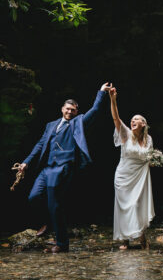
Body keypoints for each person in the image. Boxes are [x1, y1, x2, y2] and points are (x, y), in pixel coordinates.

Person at [18, 82, 110, 253]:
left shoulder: (78, 123)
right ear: (62, 109)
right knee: (34, 197)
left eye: (73, 110)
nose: (69, 112)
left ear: (76, 112)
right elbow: (40, 144)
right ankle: (49, 221)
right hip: (46, 169)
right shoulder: (50, 125)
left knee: (55, 204)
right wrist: (26, 162)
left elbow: (95, 111)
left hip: (62, 168)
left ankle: (62, 243)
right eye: (67, 109)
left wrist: (101, 92)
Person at [108, 85, 155, 250]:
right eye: (132, 120)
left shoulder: (148, 139)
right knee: (125, 207)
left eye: (137, 120)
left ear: (143, 124)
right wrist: (112, 99)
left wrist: (155, 161)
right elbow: (116, 118)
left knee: (138, 205)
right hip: (124, 175)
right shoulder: (125, 134)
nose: (133, 121)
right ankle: (125, 240)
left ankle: (142, 236)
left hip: (140, 176)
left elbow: (149, 157)